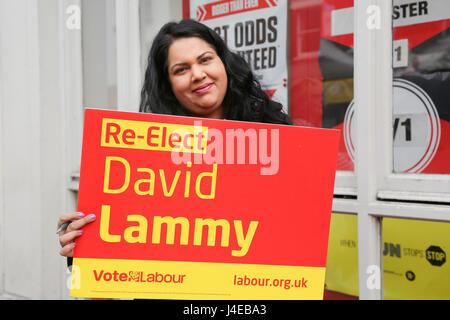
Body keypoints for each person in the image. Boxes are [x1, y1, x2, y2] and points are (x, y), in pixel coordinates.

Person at [57, 19, 292, 262]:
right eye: (181, 69)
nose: (198, 75)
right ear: (168, 86)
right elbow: (127, 244)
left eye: (205, 59)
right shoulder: (145, 160)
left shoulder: (275, 136)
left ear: (224, 62)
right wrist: (83, 247)